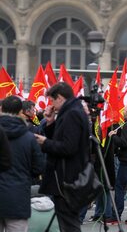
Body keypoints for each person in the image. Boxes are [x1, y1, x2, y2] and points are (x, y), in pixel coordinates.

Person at [35, 82, 91, 232]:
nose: (51, 104)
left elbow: (68, 147)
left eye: (52, 100)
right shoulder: (71, 111)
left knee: (69, 224)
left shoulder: (72, 113)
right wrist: (50, 122)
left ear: (59, 97)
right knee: (67, 222)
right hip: (67, 176)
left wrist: (45, 143)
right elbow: (61, 139)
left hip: (66, 178)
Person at [0, 95, 44, 232]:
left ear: (1, 109)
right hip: (18, 197)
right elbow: (38, 168)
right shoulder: (29, 137)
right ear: (20, 112)